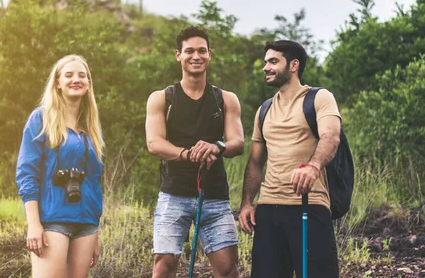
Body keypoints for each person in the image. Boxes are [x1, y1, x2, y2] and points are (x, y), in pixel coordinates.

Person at [145, 26, 245, 278]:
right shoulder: (162, 98)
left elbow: (238, 143)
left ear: (210, 54)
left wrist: (217, 146)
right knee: (164, 264)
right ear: (178, 55)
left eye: (202, 51)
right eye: (189, 51)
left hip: (214, 196)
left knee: (227, 268)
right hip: (173, 194)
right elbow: (154, 143)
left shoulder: (226, 99)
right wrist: (189, 154)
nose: (196, 56)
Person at [238, 40, 341, 278]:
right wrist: (247, 202)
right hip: (268, 210)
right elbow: (255, 161)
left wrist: (313, 167)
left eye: (273, 61)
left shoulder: (319, 98)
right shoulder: (264, 109)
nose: (266, 67)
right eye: (266, 62)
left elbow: (331, 137)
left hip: (309, 205)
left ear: (293, 65)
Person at [16, 54, 104, 278]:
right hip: (53, 220)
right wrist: (34, 224)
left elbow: (94, 180)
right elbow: (27, 173)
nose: (76, 79)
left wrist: (96, 232)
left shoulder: (91, 127)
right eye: (69, 75)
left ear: (88, 84)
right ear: (57, 83)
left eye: (82, 75)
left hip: (86, 224)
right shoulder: (41, 119)